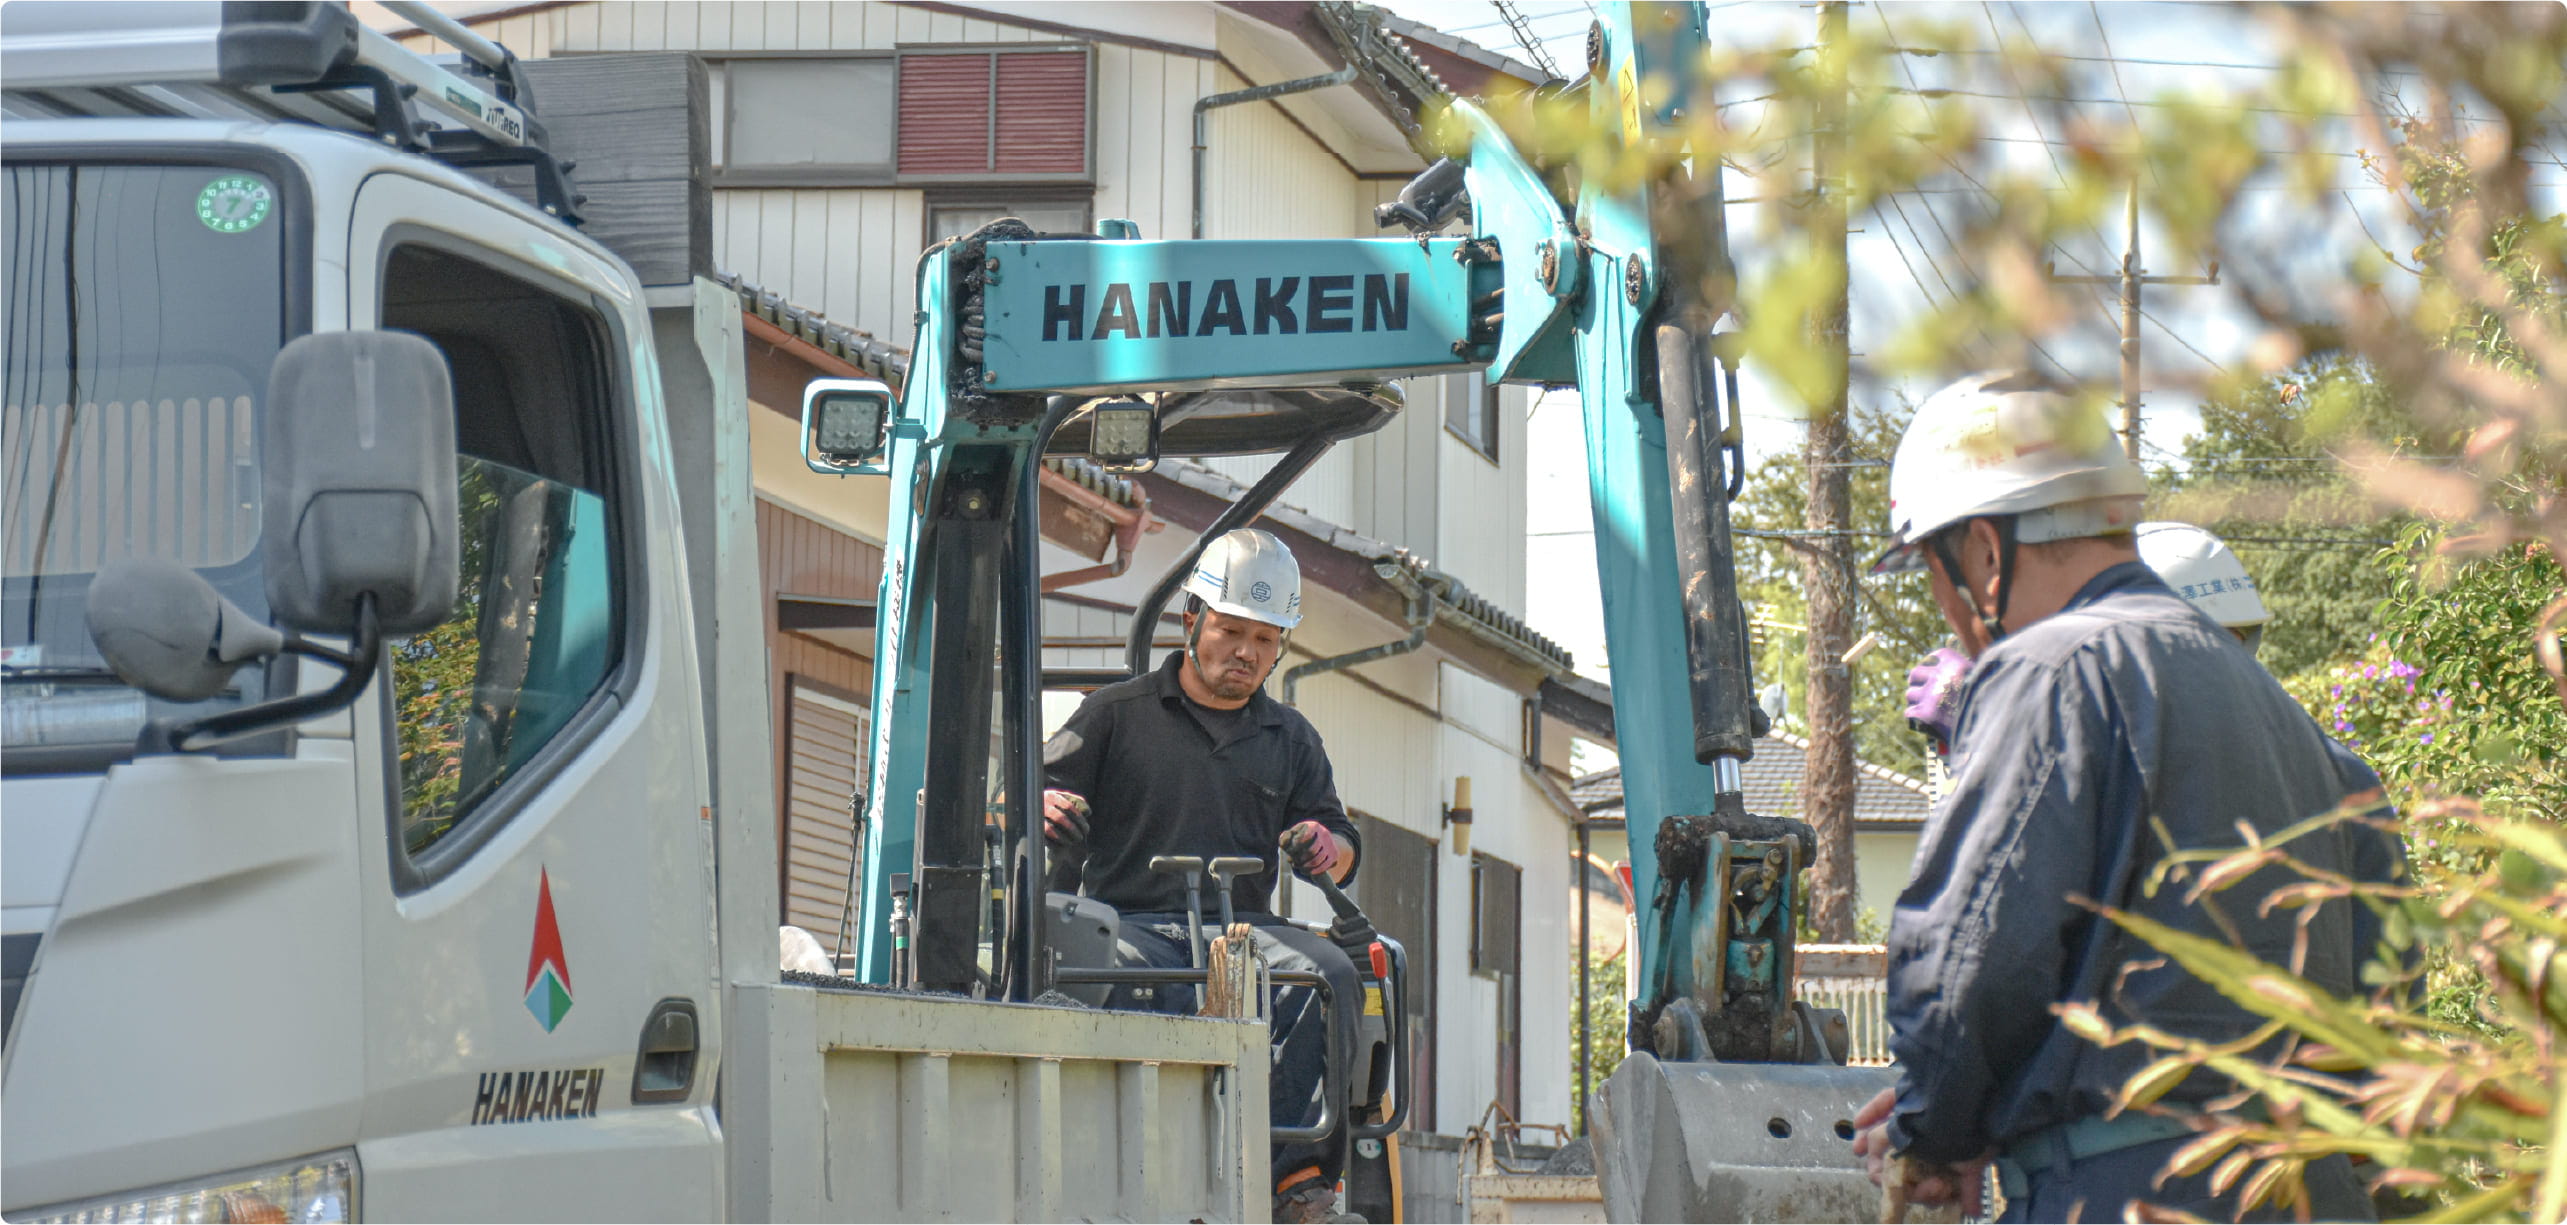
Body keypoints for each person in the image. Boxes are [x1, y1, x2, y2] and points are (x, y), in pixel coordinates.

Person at [1849, 371, 2386, 1222]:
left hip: (2126, 1194)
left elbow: (1970, 958)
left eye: (1932, 572)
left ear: (1984, 552)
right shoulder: (2280, 714)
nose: (1946, 609)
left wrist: (1933, 1130)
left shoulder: (2051, 667)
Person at [1040, 527, 1367, 1224]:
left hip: (1246, 930)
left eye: (1266, 638)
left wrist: (1324, 844)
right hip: (1131, 922)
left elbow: (1339, 838)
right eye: (1231, 630)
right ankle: (1122, 1170)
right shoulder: (1112, 715)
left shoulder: (1292, 738)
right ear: (1192, 618)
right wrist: (1041, 803)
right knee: (1109, 973)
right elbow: (1027, 793)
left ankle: (1296, 1180)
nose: (1246, 652)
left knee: (1329, 975)